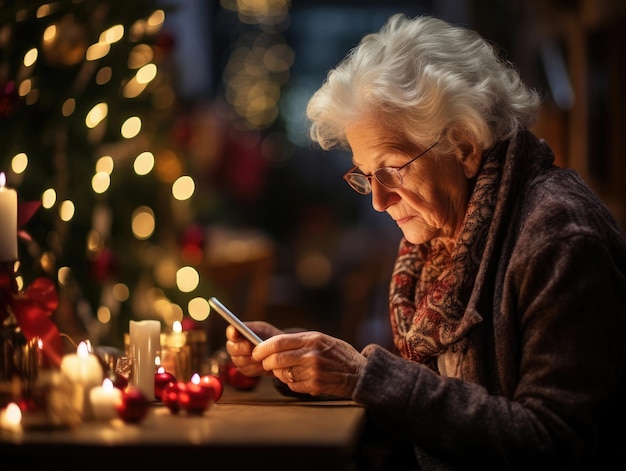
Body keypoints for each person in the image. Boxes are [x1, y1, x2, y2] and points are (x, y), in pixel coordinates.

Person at [225, 13, 626, 470]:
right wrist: (309, 367)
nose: (377, 200)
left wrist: (364, 376)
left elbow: (550, 442)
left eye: (391, 170)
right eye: (364, 175)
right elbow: (427, 415)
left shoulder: (560, 237)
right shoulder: (442, 235)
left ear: (465, 147)